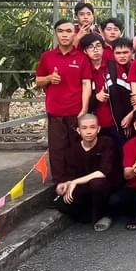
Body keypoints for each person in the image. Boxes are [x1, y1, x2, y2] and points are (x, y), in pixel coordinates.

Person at [35, 19, 92, 183]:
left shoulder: (82, 58)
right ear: (56, 34)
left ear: (74, 34)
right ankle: (59, 185)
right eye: (60, 31)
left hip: (76, 112)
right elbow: (38, 80)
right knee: (57, 150)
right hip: (55, 112)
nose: (65, 35)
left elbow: (86, 84)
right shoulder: (47, 57)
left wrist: (84, 109)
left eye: (68, 31)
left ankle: (76, 184)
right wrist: (49, 78)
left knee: (77, 148)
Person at [54, 114, 116, 231]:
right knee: (62, 203)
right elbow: (70, 176)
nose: (88, 132)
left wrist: (74, 182)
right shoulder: (72, 150)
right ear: (78, 130)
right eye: (84, 128)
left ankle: (104, 215)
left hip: (104, 187)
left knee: (97, 183)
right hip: (84, 188)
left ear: (98, 129)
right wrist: (64, 185)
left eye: (92, 127)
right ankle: (88, 216)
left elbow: (103, 172)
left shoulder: (106, 142)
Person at [81, 34, 117, 145]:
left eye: (98, 46)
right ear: (85, 51)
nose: (95, 50)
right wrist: (96, 98)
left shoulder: (113, 67)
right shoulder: (83, 70)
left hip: (115, 123)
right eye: (91, 47)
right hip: (93, 125)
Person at [104, 37, 135, 139]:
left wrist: (131, 116)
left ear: (132, 51)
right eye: (118, 53)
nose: (122, 56)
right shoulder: (110, 69)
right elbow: (115, 100)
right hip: (117, 122)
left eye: (125, 52)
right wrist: (123, 122)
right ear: (113, 53)